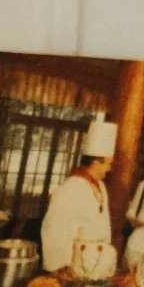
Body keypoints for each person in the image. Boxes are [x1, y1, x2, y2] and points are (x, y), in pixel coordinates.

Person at [39, 117, 118, 277]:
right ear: (95, 163)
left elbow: (104, 223)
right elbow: (53, 228)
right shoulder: (70, 188)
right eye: (108, 164)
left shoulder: (101, 187)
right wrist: (59, 268)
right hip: (72, 264)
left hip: (96, 263)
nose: (109, 169)